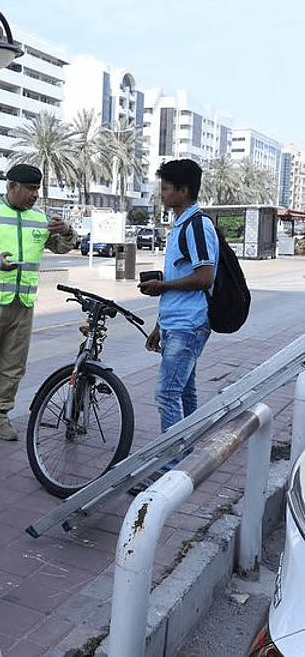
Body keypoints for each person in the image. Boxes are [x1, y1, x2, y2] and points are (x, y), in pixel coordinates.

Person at [134, 158, 217, 492]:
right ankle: (187, 460)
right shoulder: (181, 226)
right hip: (176, 322)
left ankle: (171, 470)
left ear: (184, 191)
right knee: (184, 391)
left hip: (190, 324)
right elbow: (180, 278)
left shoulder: (197, 226)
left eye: (167, 187)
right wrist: (159, 324)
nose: (163, 193)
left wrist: (162, 287)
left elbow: (204, 277)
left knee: (166, 393)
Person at [0, 163, 77, 441]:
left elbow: (61, 246)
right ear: (12, 186)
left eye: (37, 189)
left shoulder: (41, 218)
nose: (35, 195)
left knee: (13, 365)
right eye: (30, 189)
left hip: (24, 304)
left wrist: (67, 231)